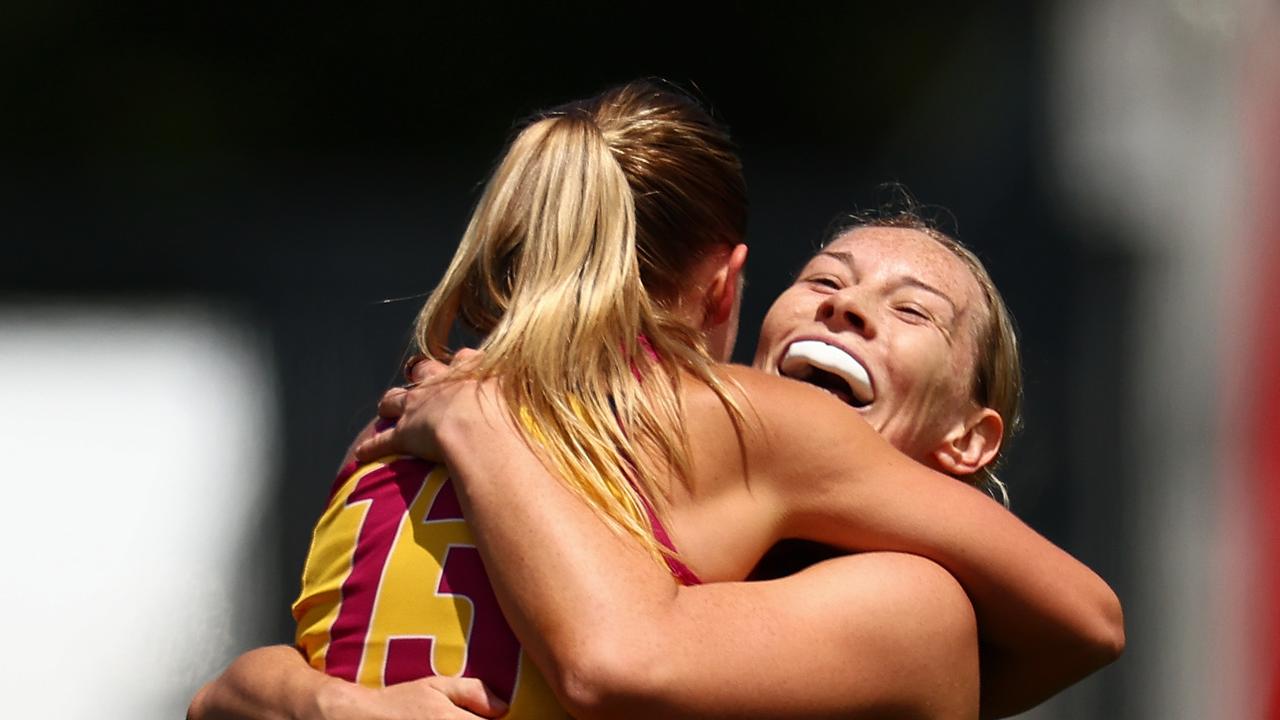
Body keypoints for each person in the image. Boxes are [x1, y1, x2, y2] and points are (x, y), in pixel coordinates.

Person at [190, 81, 1123, 720]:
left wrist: (480, 433)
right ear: (733, 292)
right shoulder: (726, 439)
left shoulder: (421, 415)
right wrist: (331, 701)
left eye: (913, 309)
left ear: (973, 439)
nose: (847, 306)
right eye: (824, 278)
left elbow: (1090, 619)